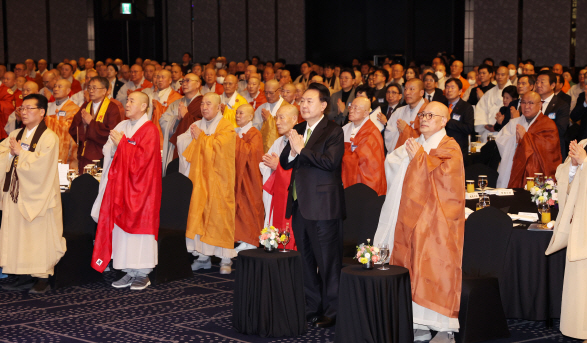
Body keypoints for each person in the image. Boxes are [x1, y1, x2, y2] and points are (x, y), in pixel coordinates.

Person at [374, 101, 465, 342]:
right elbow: (392, 163)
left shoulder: (450, 146)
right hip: (410, 216)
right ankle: (419, 324)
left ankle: (445, 330)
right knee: (412, 268)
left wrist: (420, 160)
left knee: (434, 270)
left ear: (444, 120)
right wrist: (414, 157)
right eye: (422, 114)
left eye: (430, 115)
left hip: (436, 222)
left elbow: (448, 183)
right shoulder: (417, 144)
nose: (423, 119)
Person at [279, 83, 345, 328]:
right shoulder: (298, 129)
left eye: (309, 101)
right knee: (306, 261)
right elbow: (286, 161)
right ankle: (311, 307)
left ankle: (332, 310)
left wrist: (302, 150)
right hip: (299, 205)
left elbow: (330, 163)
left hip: (324, 207)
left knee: (328, 261)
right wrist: (294, 149)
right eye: (302, 101)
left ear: (323, 105)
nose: (303, 105)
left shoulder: (334, 131)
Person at [91, 91, 162, 291]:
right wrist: (117, 145)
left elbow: (142, 160)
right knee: (122, 229)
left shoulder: (150, 130)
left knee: (140, 230)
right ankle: (130, 271)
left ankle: (143, 273)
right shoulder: (123, 126)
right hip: (122, 186)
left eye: (132, 101)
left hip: (142, 189)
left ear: (143, 107)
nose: (127, 104)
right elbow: (108, 150)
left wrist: (122, 143)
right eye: (127, 100)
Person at [0, 94, 66, 294]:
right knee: (15, 235)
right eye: (22, 108)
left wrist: (21, 153)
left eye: (30, 108)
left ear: (42, 112)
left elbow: (43, 165)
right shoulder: (16, 134)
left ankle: (41, 278)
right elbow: (3, 154)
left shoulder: (49, 137)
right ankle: (19, 274)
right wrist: (11, 153)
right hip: (15, 194)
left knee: (38, 236)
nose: (24, 112)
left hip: (39, 195)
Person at [178, 92, 236, 274]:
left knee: (220, 217)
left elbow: (222, 150)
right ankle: (202, 257)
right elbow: (182, 143)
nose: (204, 107)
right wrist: (196, 138)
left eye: (208, 104)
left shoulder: (227, 126)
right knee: (199, 216)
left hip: (219, 181)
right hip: (199, 181)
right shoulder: (196, 124)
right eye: (202, 104)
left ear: (218, 107)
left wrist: (202, 138)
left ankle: (226, 259)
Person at [545, 139, 587, 340]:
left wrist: (585, 162)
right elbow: (564, 176)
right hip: (581, 224)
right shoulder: (585, 144)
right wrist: (574, 165)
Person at [495, 91, 561, 188]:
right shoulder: (514, 123)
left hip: (535, 172)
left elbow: (549, 150)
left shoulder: (548, 124)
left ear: (540, 105)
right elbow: (500, 140)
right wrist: (515, 140)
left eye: (530, 103)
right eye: (523, 102)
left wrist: (525, 137)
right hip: (512, 169)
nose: (526, 106)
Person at [259, 104, 299, 237]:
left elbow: (302, 170)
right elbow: (264, 165)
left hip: (294, 197)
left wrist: (279, 167)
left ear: (294, 119)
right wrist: (269, 165)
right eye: (276, 118)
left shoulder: (301, 140)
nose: (277, 122)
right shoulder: (278, 142)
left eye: (281, 118)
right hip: (278, 194)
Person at [69, 76, 121, 173]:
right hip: (85, 154)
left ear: (104, 91)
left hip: (103, 156)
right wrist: (83, 126)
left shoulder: (112, 108)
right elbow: (73, 129)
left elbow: (112, 132)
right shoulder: (85, 106)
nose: (91, 91)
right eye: (89, 87)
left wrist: (91, 123)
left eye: (94, 88)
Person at [233, 104, 264, 253]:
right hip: (237, 175)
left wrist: (236, 141)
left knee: (248, 206)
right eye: (237, 113)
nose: (237, 116)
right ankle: (242, 238)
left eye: (241, 113)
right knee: (239, 207)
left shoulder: (254, 133)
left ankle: (251, 240)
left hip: (250, 177)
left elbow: (252, 154)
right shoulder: (237, 132)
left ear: (251, 116)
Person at [341, 97, 386, 195]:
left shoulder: (372, 133)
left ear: (366, 113)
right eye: (351, 107)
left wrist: (342, 152)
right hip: (347, 180)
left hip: (365, 184)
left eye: (356, 108)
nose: (351, 110)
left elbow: (365, 161)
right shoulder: (344, 129)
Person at [160, 74, 203, 174]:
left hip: (196, 149)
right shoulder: (176, 103)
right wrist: (176, 120)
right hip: (176, 148)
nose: (184, 84)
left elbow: (207, 125)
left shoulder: (203, 103)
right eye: (182, 81)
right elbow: (163, 121)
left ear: (197, 84)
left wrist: (187, 116)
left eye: (187, 81)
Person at [383, 78, 428, 153]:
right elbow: (389, 133)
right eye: (406, 89)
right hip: (400, 158)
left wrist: (406, 130)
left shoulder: (428, 112)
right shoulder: (399, 111)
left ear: (421, 93)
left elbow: (428, 138)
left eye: (411, 89)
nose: (407, 92)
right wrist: (401, 132)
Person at [44, 79, 79, 168]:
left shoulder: (74, 109)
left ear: (68, 91)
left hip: (65, 149)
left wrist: (48, 120)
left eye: (60, 87)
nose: (56, 89)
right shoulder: (47, 107)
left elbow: (71, 129)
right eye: (55, 86)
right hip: (47, 145)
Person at [536, 70, 570, 159]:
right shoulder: (532, 103)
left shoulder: (561, 105)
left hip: (552, 150)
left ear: (553, 85)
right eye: (537, 82)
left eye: (542, 82)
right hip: (533, 149)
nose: (538, 85)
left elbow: (561, 130)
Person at [475, 66, 512, 141]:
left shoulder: (513, 92)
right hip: (488, 130)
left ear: (508, 76)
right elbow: (481, 109)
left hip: (504, 131)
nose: (500, 77)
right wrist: (485, 125)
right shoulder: (489, 93)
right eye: (498, 74)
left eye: (503, 74)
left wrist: (497, 126)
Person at [149, 69, 182, 148]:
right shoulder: (151, 94)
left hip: (166, 134)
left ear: (170, 80)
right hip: (151, 131)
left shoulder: (175, 97)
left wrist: (158, 107)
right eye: (158, 77)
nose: (160, 80)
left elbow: (174, 118)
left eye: (163, 77)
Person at [444, 78, 475, 156]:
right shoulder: (441, 105)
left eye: (452, 87)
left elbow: (469, 128)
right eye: (447, 87)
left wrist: (449, 121)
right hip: (442, 147)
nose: (449, 90)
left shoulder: (466, 107)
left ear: (460, 91)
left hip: (458, 148)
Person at [253, 80, 286, 152]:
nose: (268, 96)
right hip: (262, 147)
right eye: (266, 92)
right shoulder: (262, 108)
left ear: (279, 91)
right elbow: (254, 129)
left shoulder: (287, 108)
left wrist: (269, 120)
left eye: (271, 93)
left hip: (280, 148)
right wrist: (264, 123)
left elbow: (289, 130)